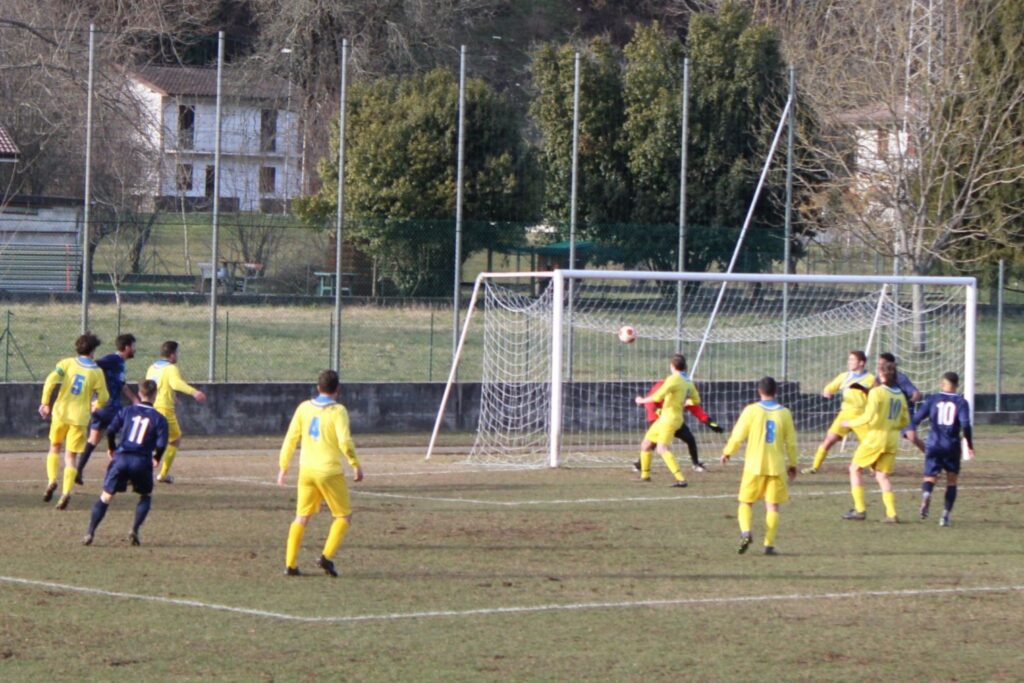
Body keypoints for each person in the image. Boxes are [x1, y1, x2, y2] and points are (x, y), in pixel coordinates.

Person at [278, 369, 364, 577]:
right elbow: (344, 441)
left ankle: (290, 564)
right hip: (329, 471)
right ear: (338, 390)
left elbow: (291, 438)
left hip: (306, 470)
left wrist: (283, 466)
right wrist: (355, 464)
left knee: (301, 517)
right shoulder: (338, 411)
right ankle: (326, 557)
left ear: (318, 388)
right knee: (344, 516)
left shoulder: (304, 408)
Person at [82, 379, 169, 546]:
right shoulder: (159, 419)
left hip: (121, 458)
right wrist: (157, 458)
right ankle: (135, 529)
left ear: (139, 394)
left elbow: (111, 430)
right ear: (155, 395)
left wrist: (111, 448)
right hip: (142, 461)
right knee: (146, 495)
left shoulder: (126, 411)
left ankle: (90, 532)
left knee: (106, 497)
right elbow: (161, 444)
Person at [721, 376, 798, 555]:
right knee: (772, 506)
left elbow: (738, 435)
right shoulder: (785, 413)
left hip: (754, 466)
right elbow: (791, 443)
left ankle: (746, 532)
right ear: (776, 392)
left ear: (759, 391)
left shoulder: (751, 410)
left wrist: (727, 452)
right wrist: (793, 464)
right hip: (776, 467)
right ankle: (769, 545)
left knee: (745, 502)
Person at [38, 333, 110, 510]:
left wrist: (45, 402)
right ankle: (66, 493)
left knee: (54, 447)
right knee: (71, 456)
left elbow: (51, 380)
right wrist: (97, 404)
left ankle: (52, 480)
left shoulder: (67, 363)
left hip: (61, 413)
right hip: (79, 418)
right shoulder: (96, 372)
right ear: (93, 350)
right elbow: (104, 396)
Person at [841, 361, 908, 523]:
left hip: (876, 438)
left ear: (882, 374)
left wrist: (849, 423)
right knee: (882, 476)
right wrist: (892, 426)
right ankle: (891, 514)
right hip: (892, 440)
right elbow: (905, 421)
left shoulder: (877, 392)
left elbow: (868, 416)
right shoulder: (900, 394)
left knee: (855, 469)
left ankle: (860, 509)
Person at [905, 372, 974, 527]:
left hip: (933, 445)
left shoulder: (933, 399)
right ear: (957, 385)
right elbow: (966, 425)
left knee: (930, 477)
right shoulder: (961, 402)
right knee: (951, 481)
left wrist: (910, 431)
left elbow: (915, 419)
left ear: (943, 384)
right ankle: (944, 516)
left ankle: (926, 494)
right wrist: (969, 444)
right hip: (951, 446)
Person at [76, 333, 139, 484]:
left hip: (101, 408)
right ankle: (122, 474)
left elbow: (122, 385)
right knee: (129, 434)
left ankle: (77, 471)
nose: (135, 350)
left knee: (93, 439)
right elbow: (94, 364)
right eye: (134, 346)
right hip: (109, 405)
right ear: (127, 347)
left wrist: (135, 399)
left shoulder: (120, 364)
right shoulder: (113, 359)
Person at [802, 350, 875, 474]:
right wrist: (827, 392)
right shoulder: (844, 376)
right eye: (849, 359)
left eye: (852, 359)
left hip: (861, 416)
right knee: (829, 439)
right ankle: (814, 467)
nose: (849, 362)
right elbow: (830, 387)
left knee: (869, 445)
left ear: (861, 363)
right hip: (845, 415)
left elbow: (877, 396)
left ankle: (875, 469)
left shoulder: (871, 379)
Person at [633, 375, 724, 473]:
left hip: (674, 420)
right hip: (657, 418)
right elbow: (650, 404)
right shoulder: (663, 385)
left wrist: (713, 425)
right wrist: (662, 414)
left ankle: (696, 464)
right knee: (652, 443)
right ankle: (640, 465)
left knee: (690, 439)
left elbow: (699, 412)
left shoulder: (686, 396)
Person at [145, 341, 206, 483]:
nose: (178, 356)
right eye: (177, 353)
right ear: (172, 354)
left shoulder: (152, 368)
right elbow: (175, 383)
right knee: (175, 440)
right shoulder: (171, 368)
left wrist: (173, 396)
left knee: (150, 442)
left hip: (152, 407)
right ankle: (162, 474)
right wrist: (194, 392)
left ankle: (134, 471)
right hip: (165, 409)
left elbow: (153, 386)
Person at [633, 353, 697, 487]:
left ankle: (681, 479)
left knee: (661, 448)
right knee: (646, 444)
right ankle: (645, 476)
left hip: (670, 419)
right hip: (667, 418)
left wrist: (642, 400)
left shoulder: (673, 379)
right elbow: (696, 400)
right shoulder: (688, 382)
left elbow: (657, 397)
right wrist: (684, 402)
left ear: (672, 366)